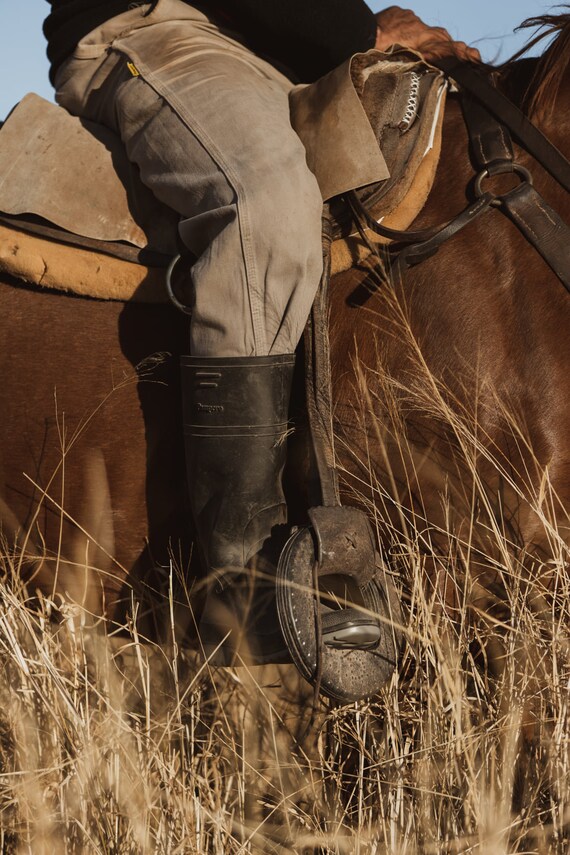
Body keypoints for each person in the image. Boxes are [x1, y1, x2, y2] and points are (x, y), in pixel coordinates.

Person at [43, 1, 479, 661]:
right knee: (267, 204)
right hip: (154, 28)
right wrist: (361, 32)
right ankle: (245, 578)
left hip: (270, 51)